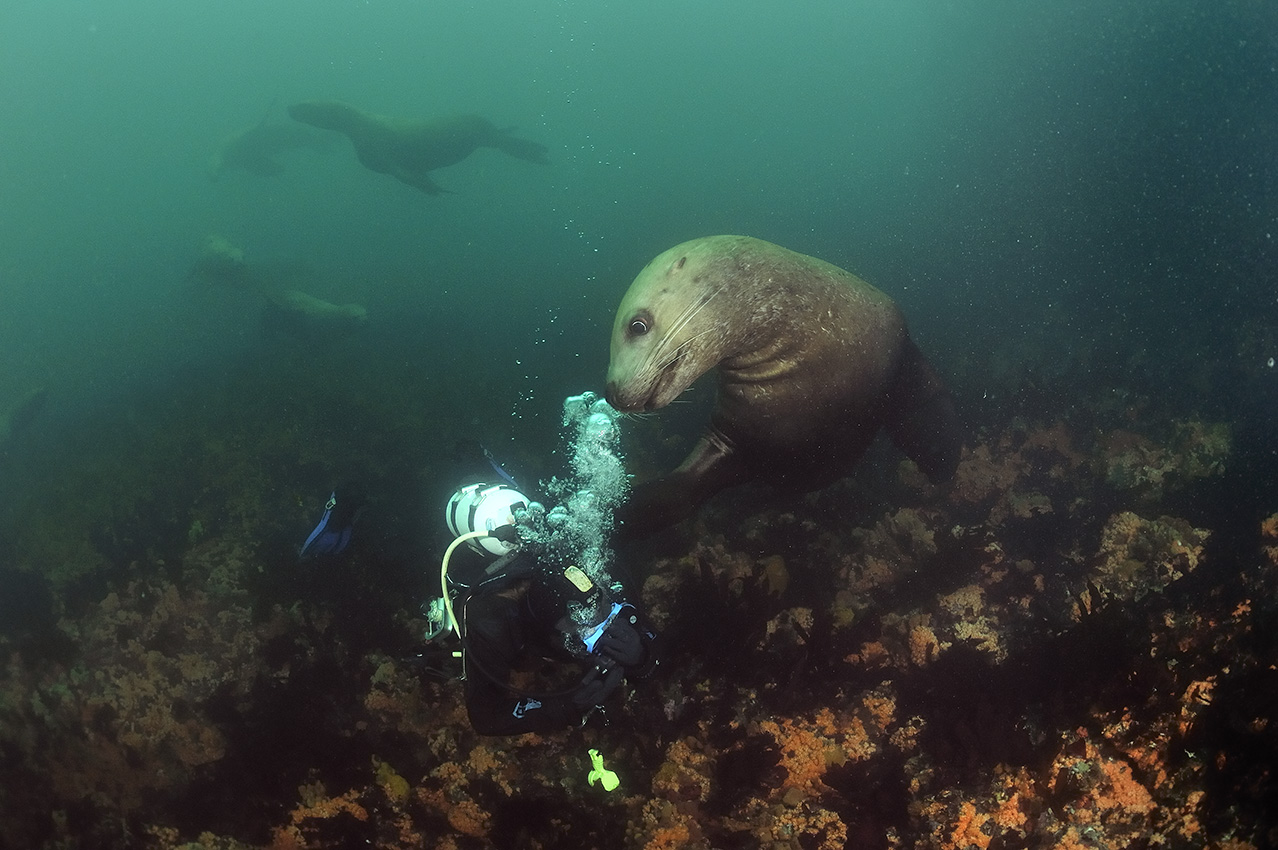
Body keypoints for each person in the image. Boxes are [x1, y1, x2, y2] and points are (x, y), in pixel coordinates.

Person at [458, 553, 658, 735]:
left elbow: (660, 645)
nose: (600, 638)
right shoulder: (494, 628)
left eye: (606, 617)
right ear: (549, 635)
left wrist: (642, 656)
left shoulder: (594, 571)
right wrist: (562, 708)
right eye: (584, 636)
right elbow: (485, 717)